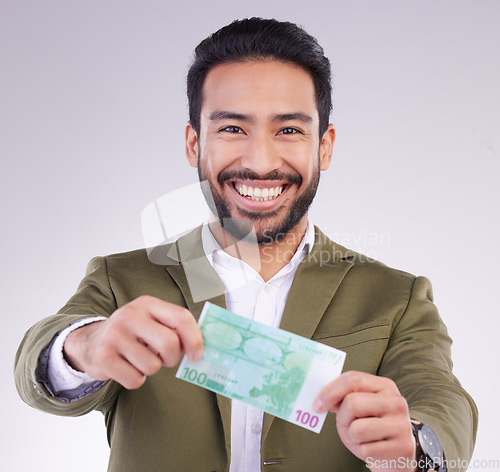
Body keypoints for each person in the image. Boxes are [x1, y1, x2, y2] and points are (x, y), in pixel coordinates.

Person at [15, 17, 477, 472]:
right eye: (233, 129)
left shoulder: (396, 298)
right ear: (195, 144)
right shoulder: (123, 281)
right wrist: (86, 346)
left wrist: (415, 445)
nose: (260, 162)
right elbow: (36, 358)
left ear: (325, 147)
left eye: (289, 130)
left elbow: (442, 397)